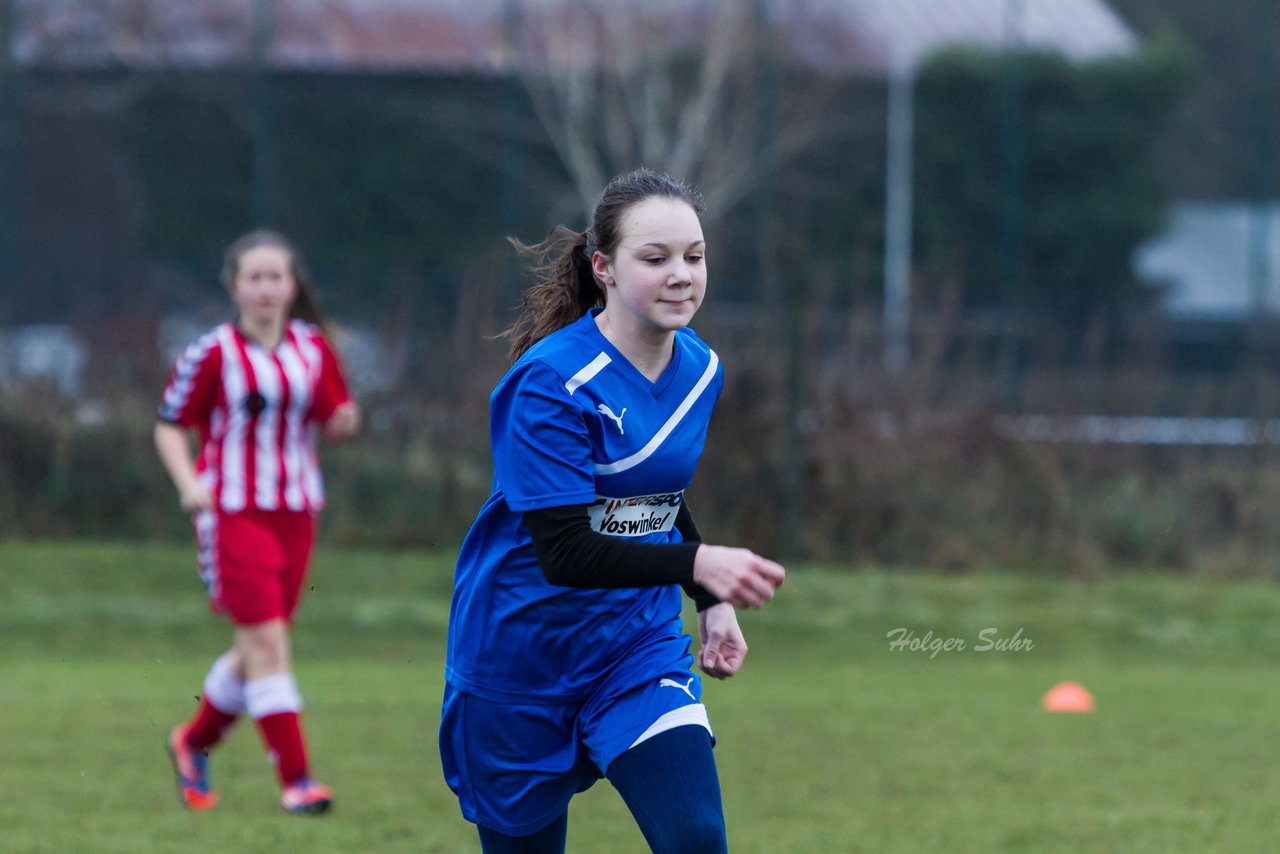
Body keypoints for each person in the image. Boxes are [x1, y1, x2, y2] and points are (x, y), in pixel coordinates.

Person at [440, 168, 786, 853]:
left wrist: (707, 591)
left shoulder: (701, 370)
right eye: (655, 259)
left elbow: (653, 495)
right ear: (603, 267)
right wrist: (702, 561)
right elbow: (565, 551)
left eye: (695, 256)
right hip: (520, 660)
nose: (681, 275)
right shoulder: (550, 382)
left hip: (634, 645)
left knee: (694, 837)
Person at [155, 229, 360, 816]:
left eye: (277, 277)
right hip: (233, 513)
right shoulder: (212, 353)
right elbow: (169, 424)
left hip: (297, 514)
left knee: (259, 650)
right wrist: (189, 484)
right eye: (255, 277)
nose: (267, 288)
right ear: (234, 286)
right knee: (267, 645)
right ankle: (298, 782)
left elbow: (333, 413)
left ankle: (191, 743)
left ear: (293, 286)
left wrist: (345, 420)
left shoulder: (313, 347)